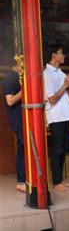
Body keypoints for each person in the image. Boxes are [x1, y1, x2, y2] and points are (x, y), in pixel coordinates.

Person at [43, 44, 69, 192]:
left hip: (66, 115)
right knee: (57, 149)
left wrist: (67, 83)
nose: (64, 56)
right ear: (54, 55)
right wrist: (65, 85)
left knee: (64, 149)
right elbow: (52, 99)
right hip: (56, 117)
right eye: (61, 53)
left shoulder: (60, 72)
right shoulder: (47, 74)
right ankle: (56, 182)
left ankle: (60, 179)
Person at [3, 57, 25, 193]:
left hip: (24, 118)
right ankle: (21, 181)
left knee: (24, 150)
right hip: (18, 119)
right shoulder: (10, 78)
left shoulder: (18, 77)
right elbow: (10, 101)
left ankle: (24, 179)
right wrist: (25, 91)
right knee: (22, 150)